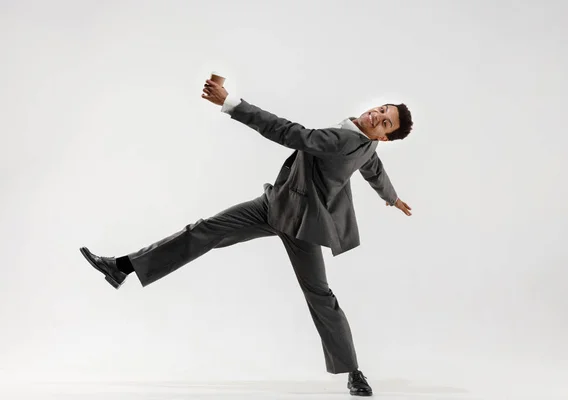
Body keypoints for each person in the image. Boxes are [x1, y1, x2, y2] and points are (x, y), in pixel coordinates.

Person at [80, 78, 413, 397]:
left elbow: (289, 132)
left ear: (383, 137)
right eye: (382, 110)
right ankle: (123, 267)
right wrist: (392, 197)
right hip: (274, 205)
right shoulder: (364, 141)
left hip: (302, 225)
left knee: (319, 294)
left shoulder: (344, 141)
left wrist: (230, 103)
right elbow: (374, 169)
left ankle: (354, 371)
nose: (377, 116)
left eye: (385, 123)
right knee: (204, 230)